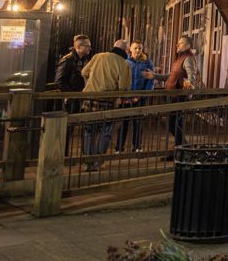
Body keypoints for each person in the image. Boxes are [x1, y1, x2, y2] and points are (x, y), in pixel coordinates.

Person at [142, 36, 199, 155]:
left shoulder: (187, 59)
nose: (177, 45)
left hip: (179, 96)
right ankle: (180, 151)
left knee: (172, 123)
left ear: (188, 46)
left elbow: (191, 75)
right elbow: (172, 76)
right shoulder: (179, 59)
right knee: (177, 125)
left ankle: (185, 148)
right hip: (173, 95)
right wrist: (155, 76)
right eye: (177, 43)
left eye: (180, 43)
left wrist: (190, 83)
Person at [80, 39, 132, 170]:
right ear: (126, 50)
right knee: (105, 132)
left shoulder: (98, 56)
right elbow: (123, 86)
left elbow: (84, 72)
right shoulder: (124, 63)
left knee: (88, 131)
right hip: (107, 101)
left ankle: (87, 161)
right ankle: (98, 161)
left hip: (89, 98)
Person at [116, 40, 154, 153]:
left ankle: (137, 147)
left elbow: (150, 80)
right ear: (130, 49)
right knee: (124, 122)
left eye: (140, 48)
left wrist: (144, 94)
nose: (138, 50)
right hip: (126, 97)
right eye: (136, 48)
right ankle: (119, 147)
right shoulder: (125, 61)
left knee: (138, 123)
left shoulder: (147, 62)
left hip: (140, 97)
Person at [55, 35, 93, 114]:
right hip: (70, 99)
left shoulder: (84, 60)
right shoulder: (68, 60)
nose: (90, 48)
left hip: (79, 97)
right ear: (79, 47)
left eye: (90, 46)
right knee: (69, 122)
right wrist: (70, 95)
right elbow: (59, 81)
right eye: (87, 46)